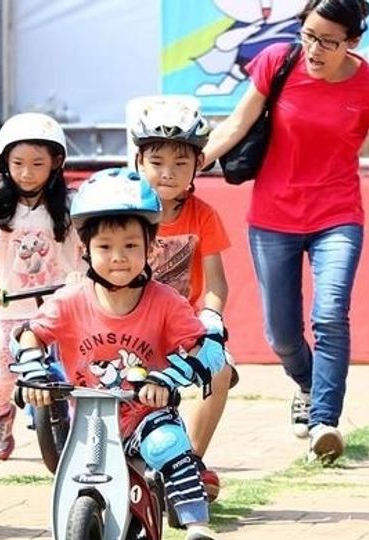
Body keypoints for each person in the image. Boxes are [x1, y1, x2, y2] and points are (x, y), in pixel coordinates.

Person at [198, 0, 369, 465]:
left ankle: (325, 421)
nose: (315, 50)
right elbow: (238, 122)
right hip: (272, 216)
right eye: (309, 35)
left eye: (328, 42)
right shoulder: (277, 62)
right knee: (280, 334)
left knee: (330, 315)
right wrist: (191, 166)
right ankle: (307, 384)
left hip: (337, 216)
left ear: (352, 43)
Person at [14, 168, 231, 540]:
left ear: (151, 246)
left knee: (168, 444)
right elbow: (29, 334)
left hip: (145, 414)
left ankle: (198, 531)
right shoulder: (70, 300)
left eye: (132, 245)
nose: (119, 257)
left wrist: (166, 380)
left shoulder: (166, 302)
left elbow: (204, 347)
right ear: (85, 249)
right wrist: (35, 374)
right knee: (71, 473)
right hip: (89, 420)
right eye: (105, 247)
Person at [130, 96, 233, 500]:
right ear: (139, 162)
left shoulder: (203, 215)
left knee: (219, 369)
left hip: (179, 329)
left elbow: (216, 284)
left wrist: (211, 319)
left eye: (180, 162)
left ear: (199, 164)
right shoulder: (125, 210)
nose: (167, 173)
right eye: (156, 162)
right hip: (127, 324)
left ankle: (189, 462)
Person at [0, 113, 79, 459]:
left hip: (63, 305)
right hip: (13, 307)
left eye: (37, 163)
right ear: (5, 163)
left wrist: (81, 276)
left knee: (75, 368)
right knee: (4, 372)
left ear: (56, 162)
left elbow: (89, 247)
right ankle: (0, 414)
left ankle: (82, 427)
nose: (27, 172)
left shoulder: (70, 205)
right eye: (18, 163)